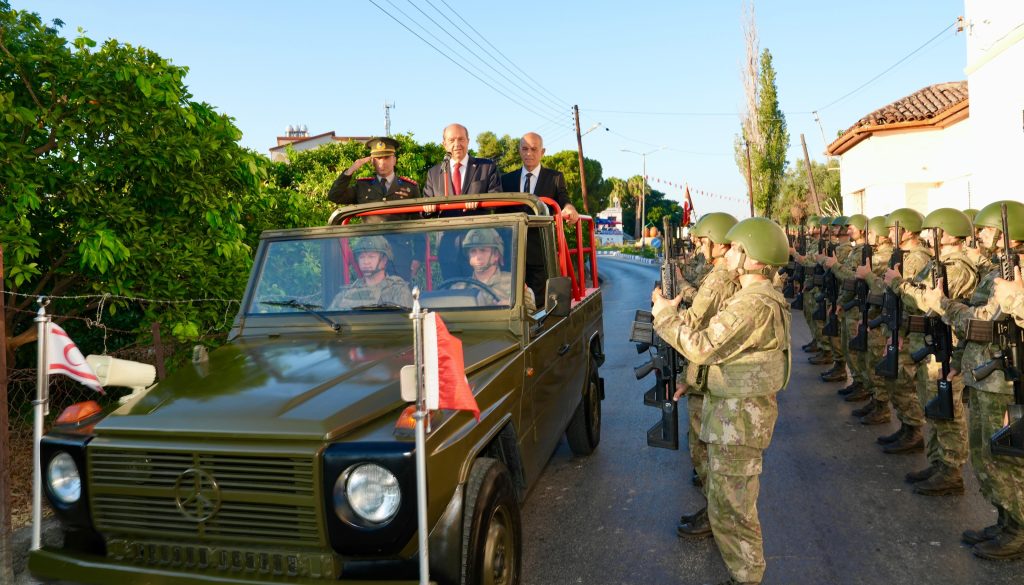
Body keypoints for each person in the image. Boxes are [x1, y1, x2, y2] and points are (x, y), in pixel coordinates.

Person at [651, 217, 791, 585]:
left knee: (736, 512)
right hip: (735, 417)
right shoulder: (751, 298)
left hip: (739, 423)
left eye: (734, 249)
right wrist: (689, 380)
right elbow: (724, 356)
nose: (727, 254)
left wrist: (665, 316)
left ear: (751, 257)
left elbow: (702, 345)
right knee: (727, 504)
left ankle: (747, 577)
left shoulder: (753, 305)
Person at [921, 200, 1024, 559]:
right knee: (987, 457)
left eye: (985, 228)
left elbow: (978, 320)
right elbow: (980, 328)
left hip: (1004, 383)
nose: (978, 233)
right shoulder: (998, 271)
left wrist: (944, 305)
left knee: (1006, 459)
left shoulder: (1016, 277)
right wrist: (962, 362)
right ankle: (1007, 520)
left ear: (1006, 233)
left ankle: (1019, 530)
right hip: (985, 379)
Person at [666, 212, 740, 539]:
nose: (699, 243)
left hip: (708, 365)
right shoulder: (720, 273)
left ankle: (716, 514)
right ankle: (713, 507)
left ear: (717, 241)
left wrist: (666, 311)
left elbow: (696, 320)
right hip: (707, 365)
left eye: (704, 239)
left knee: (703, 443)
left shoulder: (721, 277)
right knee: (702, 443)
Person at [897, 208, 978, 496]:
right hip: (933, 343)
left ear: (946, 233)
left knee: (948, 410)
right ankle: (939, 462)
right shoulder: (941, 263)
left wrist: (904, 287)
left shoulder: (957, 267)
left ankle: (951, 470)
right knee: (934, 406)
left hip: (947, 346)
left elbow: (929, 301)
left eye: (936, 231)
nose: (932, 236)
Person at [326, 137, 424, 279]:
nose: (382, 162)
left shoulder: (409, 187)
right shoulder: (363, 187)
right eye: (377, 158)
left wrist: (418, 258)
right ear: (372, 161)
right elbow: (335, 195)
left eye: (386, 157)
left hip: (400, 255)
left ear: (394, 160)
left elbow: (418, 225)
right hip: (371, 255)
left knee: (401, 297)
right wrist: (351, 170)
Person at [501, 132, 579, 299]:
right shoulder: (506, 180)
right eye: (525, 149)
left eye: (534, 149)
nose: (529, 153)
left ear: (542, 152)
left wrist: (569, 209)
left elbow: (564, 200)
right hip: (512, 253)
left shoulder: (555, 178)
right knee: (512, 300)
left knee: (539, 305)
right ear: (519, 151)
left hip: (541, 254)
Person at [422, 124, 502, 278]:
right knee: (453, 294)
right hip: (447, 247)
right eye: (451, 140)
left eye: (461, 139)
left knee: (481, 295)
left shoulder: (486, 167)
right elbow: (423, 211)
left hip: (479, 246)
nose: (456, 144)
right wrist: (428, 209)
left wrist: (478, 203)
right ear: (444, 144)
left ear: (468, 141)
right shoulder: (434, 173)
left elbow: (496, 198)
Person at [452, 228, 536, 312]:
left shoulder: (514, 284)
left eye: (483, 250)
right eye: (473, 251)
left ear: (496, 254)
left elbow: (531, 316)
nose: (478, 256)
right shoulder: (459, 288)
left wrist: (513, 307)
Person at [330, 236, 413, 310]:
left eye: (371, 257)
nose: (366, 262)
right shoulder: (347, 292)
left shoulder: (398, 290)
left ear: (384, 260)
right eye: (362, 257)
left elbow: (403, 321)